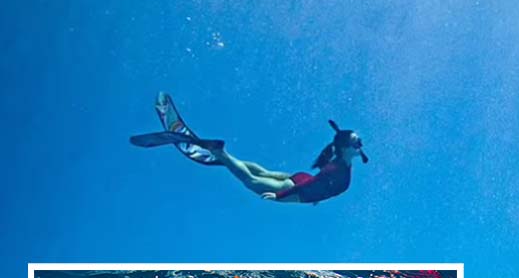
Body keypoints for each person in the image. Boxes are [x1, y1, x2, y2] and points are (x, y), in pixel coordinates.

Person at [129, 92, 368, 204]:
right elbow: (316, 185)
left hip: (299, 179)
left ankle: (225, 157)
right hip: (299, 187)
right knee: (250, 180)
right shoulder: (338, 168)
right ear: (347, 147)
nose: (361, 145)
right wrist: (280, 197)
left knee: (261, 171)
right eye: (357, 142)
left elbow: (324, 183)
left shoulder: (340, 162)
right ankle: (220, 153)